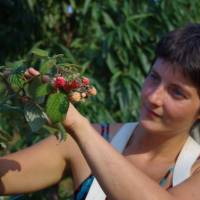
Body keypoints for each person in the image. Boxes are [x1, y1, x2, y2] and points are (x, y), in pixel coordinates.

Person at [1, 23, 200, 200]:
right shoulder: (87, 141)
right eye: (154, 77)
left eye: (177, 92)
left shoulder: (195, 173)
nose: (153, 97)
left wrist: (79, 126)